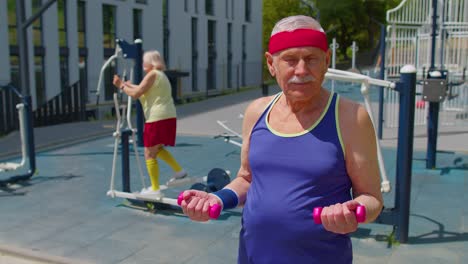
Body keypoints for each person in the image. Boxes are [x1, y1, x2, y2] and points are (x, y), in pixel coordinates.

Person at [179, 15, 383, 263]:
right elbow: (246, 178)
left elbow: (372, 199)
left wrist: (354, 213)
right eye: (290, 60)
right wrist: (217, 199)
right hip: (253, 256)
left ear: (326, 60)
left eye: (311, 59)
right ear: (271, 63)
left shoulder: (351, 117)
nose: (301, 70)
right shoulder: (257, 111)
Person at [113, 50, 186, 197]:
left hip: (157, 117)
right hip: (168, 116)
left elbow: (136, 94)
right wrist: (129, 85)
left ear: (150, 62)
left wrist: (121, 85)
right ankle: (179, 171)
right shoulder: (160, 76)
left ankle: (155, 189)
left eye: (144, 61)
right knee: (157, 149)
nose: (142, 64)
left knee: (148, 152)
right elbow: (141, 89)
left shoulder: (152, 74)